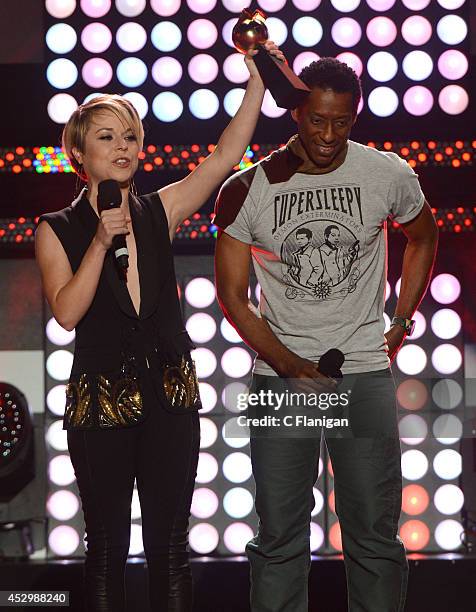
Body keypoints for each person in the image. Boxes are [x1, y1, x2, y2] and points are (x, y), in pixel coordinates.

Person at [35, 42, 284, 611]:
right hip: (102, 403)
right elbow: (67, 311)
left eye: (130, 137)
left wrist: (256, 84)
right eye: (107, 137)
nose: (123, 148)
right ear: (77, 151)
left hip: (169, 397)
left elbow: (224, 158)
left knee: (170, 548)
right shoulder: (57, 228)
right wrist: (101, 241)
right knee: (106, 550)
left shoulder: (158, 210)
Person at [214, 58, 438, 611]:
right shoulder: (251, 188)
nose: (329, 135)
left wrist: (402, 320)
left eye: (341, 122)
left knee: (374, 535)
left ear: (355, 116)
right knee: (279, 540)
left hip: (362, 372)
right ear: (295, 112)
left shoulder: (387, 174)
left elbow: (424, 237)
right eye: (317, 121)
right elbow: (233, 299)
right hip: (283, 380)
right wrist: (291, 367)